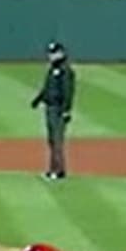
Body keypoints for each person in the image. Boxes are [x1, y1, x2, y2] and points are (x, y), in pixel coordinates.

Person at [30, 42, 77, 180]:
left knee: (57, 140)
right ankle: (52, 169)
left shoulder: (66, 70)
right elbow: (47, 88)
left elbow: (68, 92)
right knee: (51, 141)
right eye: (50, 53)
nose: (51, 56)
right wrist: (38, 100)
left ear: (61, 53)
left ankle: (59, 170)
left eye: (54, 53)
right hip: (49, 108)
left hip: (58, 109)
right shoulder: (52, 69)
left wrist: (66, 110)